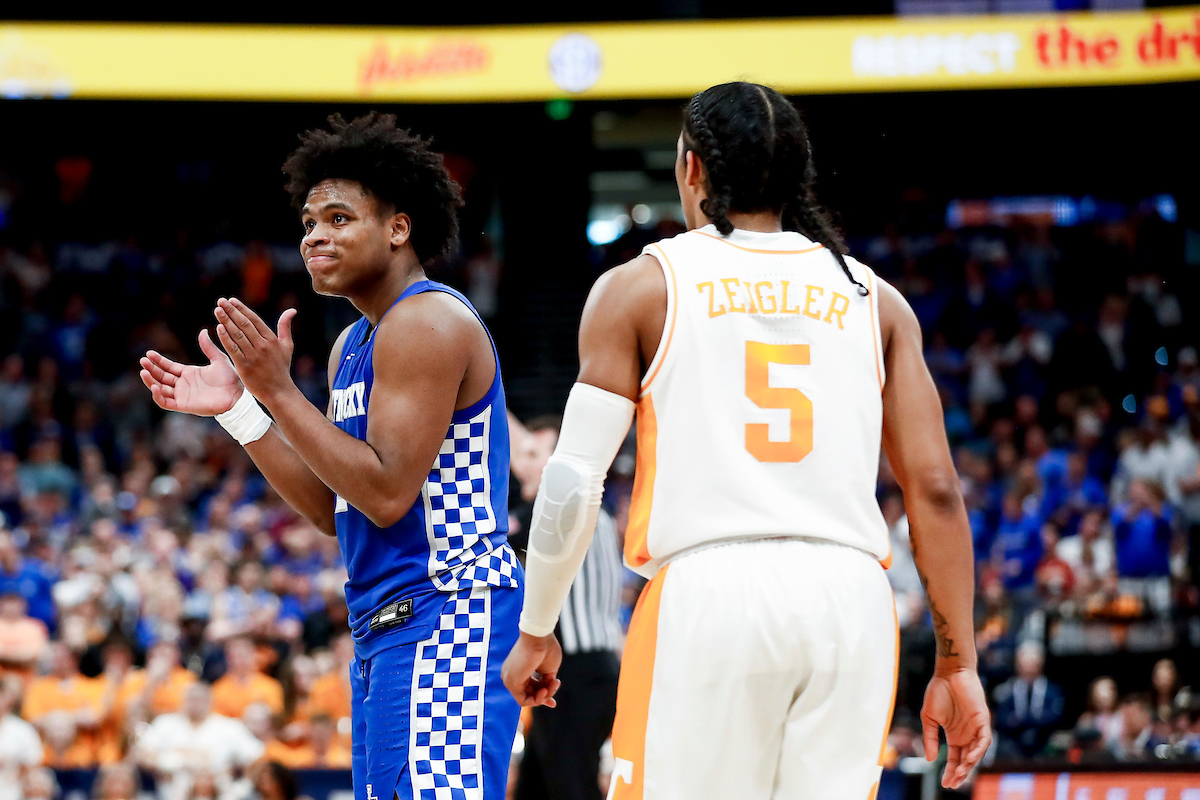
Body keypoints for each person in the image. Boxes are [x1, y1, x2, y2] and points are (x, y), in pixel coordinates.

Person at [502, 82, 990, 799]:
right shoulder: (876, 300)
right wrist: (959, 663)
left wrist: (538, 625)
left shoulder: (641, 288)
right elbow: (939, 493)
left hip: (710, 592)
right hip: (850, 599)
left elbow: (573, 481)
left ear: (692, 168)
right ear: (798, 175)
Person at [139, 112, 522, 800]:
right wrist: (240, 410)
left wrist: (278, 391)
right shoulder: (354, 345)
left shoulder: (427, 321)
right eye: (310, 223)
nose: (316, 236)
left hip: (448, 615)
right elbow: (333, 507)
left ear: (398, 229)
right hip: (386, 627)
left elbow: (385, 492)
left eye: (340, 218)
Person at [509, 416, 623, 800]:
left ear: (558, 463)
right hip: (589, 671)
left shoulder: (562, 506)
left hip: (575, 674)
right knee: (535, 788)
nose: (519, 464)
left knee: (571, 789)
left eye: (531, 455)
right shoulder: (598, 513)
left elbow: (498, 534)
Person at [991, 642, 1064, 758]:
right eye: (1024, 665)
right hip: (1014, 742)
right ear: (1017, 666)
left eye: (1032, 665)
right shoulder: (1007, 691)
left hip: (1044, 739)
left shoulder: (1053, 691)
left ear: (1040, 665)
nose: (1028, 670)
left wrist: (1025, 719)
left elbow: (1055, 717)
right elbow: (1002, 718)